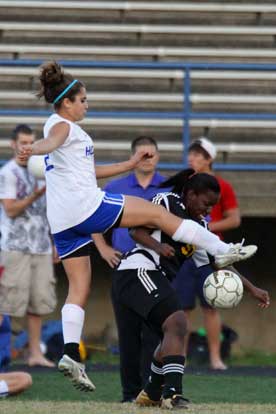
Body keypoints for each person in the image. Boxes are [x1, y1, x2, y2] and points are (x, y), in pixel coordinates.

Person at [18, 61, 257, 392]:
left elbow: (88, 170)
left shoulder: (64, 129)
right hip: (86, 207)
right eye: (83, 99)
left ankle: (71, 353)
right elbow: (53, 142)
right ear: (67, 102)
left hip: (62, 219)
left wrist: (130, 164)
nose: (87, 105)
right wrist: (35, 147)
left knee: (79, 286)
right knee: (159, 216)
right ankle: (222, 249)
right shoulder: (62, 126)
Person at [112, 169, 269, 409]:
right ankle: (172, 394)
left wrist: (252, 288)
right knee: (177, 323)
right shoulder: (166, 201)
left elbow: (216, 262)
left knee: (170, 332)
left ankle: (152, 392)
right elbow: (136, 230)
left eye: (212, 207)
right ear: (191, 194)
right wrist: (158, 246)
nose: (208, 211)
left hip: (155, 277)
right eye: (206, 204)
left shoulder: (200, 227)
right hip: (137, 270)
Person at [93, 136, 168, 402]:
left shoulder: (169, 188)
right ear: (133, 157)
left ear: (159, 157)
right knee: (128, 334)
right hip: (125, 269)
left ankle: (152, 392)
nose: (148, 159)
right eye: (142, 154)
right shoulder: (116, 186)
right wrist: (102, 248)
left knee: (155, 334)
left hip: (158, 270)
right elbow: (92, 217)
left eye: (152, 154)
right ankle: (129, 394)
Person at [173, 137, 241, 369]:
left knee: (211, 306)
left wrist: (205, 230)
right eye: (191, 154)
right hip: (184, 253)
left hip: (211, 254)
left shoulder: (223, 186)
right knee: (182, 308)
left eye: (198, 155)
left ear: (209, 159)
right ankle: (178, 358)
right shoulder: (185, 185)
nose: (192, 158)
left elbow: (234, 219)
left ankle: (215, 357)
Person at [0, 124, 56, 368]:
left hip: (41, 246)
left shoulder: (42, 170)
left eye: (31, 142)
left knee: (38, 302)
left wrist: (55, 242)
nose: (27, 147)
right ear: (13, 144)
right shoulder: (8, 172)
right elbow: (10, 209)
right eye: (23, 142)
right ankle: (4, 353)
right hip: (14, 247)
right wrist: (34, 195)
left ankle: (34, 353)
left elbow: (50, 212)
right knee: (7, 303)